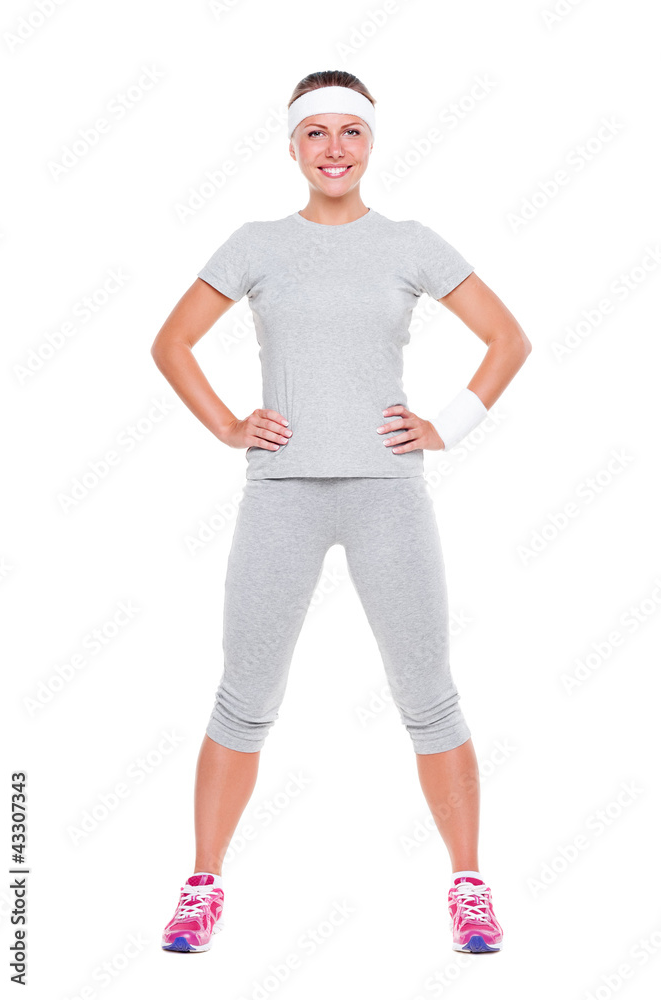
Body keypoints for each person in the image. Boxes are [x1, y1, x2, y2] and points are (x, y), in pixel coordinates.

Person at [151, 70, 531, 956]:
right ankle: (201, 885)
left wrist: (446, 425)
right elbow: (170, 343)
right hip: (279, 493)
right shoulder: (256, 244)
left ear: (370, 142)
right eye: (315, 132)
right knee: (244, 697)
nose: (333, 148)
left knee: (428, 695)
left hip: (386, 493)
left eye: (349, 131)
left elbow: (507, 339)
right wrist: (229, 425)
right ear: (291, 146)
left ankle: (468, 886)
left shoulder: (409, 242)